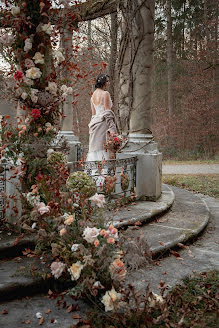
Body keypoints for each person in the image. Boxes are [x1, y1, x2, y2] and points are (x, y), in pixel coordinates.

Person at [86, 73, 119, 162]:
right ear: (103, 82)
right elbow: (107, 112)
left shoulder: (92, 96)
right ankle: (105, 174)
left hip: (95, 125)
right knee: (104, 150)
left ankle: (95, 174)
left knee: (95, 149)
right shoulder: (105, 94)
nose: (109, 83)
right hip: (103, 124)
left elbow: (93, 115)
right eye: (107, 81)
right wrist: (112, 128)